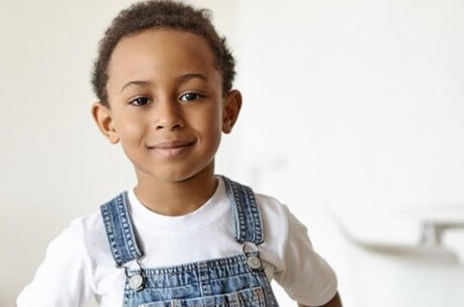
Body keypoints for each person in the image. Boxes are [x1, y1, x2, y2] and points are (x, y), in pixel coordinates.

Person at [17, 1, 342, 306]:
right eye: (141, 100)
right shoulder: (88, 244)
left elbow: (322, 297)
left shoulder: (270, 224)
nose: (168, 118)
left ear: (228, 111)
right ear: (108, 122)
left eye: (191, 95)